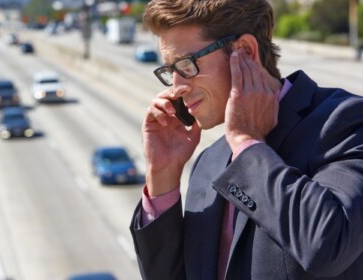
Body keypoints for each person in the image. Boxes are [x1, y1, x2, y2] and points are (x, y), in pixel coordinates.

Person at [129, 0, 363, 279]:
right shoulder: (208, 162)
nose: (177, 87)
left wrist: (246, 142)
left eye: (187, 65)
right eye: (170, 71)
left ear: (244, 52)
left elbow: (327, 246)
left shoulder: (346, 121)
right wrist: (162, 175)